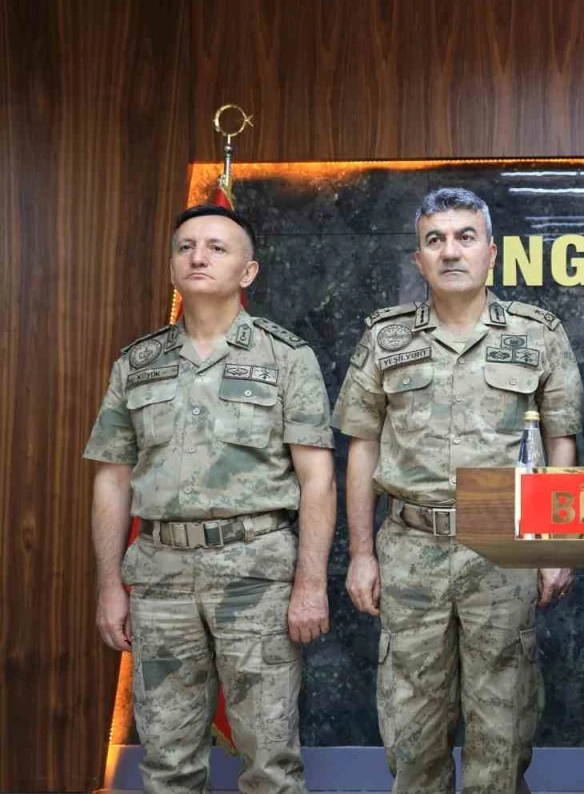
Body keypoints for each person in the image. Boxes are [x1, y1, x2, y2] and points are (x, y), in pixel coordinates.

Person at [332, 188, 582, 794]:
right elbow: (361, 447)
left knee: (503, 730)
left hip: (502, 544)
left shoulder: (537, 334)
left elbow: (562, 442)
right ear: (418, 259)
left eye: (465, 237)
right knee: (412, 731)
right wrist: (361, 553)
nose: (450, 251)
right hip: (410, 547)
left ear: (491, 252)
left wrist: (555, 544)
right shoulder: (386, 338)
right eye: (435, 240)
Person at [85, 204, 337, 794]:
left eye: (217, 247)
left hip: (256, 577)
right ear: (172, 266)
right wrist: (108, 585)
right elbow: (111, 480)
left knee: (270, 762)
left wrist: (310, 583)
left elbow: (318, 479)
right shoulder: (137, 364)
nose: (198, 257)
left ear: (248, 271)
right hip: (160, 579)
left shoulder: (285, 358)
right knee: (167, 762)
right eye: (186, 247)